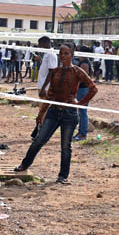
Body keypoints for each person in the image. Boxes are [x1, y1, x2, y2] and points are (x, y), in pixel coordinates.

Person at [14, 44, 98, 184]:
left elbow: (93, 88)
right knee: (39, 140)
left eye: (66, 53)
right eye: (61, 53)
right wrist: (41, 113)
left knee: (66, 146)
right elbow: (50, 94)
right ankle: (24, 164)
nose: (62, 56)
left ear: (72, 55)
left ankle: (62, 176)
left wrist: (80, 103)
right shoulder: (55, 72)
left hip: (70, 113)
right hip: (53, 111)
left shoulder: (77, 71)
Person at [31, 36, 58, 138]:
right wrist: (39, 61)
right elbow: (46, 68)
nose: (39, 47)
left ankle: (42, 133)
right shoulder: (47, 54)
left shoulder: (51, 54)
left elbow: (52, 72)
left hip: (46, 87)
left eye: (40, 45)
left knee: (44, 110)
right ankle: (39, 131)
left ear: (45, 43)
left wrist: (43, 88)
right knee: (42, 110)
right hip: (43, 85)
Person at [73, 46, 93, 140]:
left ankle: (83, 133)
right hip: (82, 89)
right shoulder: (83, 62)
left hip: (83, 89)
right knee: (81, 112)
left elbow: (82, 78)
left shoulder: (84, 63)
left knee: (83, 112)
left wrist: (75, 88)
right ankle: (80, 132)